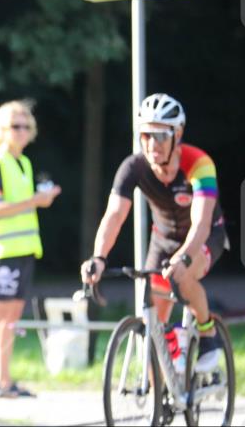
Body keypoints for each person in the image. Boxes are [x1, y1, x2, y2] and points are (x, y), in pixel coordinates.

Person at [80, 92, 227, 373]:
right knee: (152, 326)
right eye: (145, 135)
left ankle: (207, 332)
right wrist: (98, 257)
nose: (152, 144)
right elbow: (114, 215)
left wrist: (183, 258)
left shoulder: (199, 164)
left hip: (205, 236)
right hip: (163, 239)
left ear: (178, 134)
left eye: (160, 136)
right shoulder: (133, 166)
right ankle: (160, 396)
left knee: (182, 279)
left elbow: (201, 223)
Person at [0, 100, 62, 398]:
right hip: (3, 250)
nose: (22, 131)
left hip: (25, 248)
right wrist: (35, 202)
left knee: (13, 314)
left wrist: (43, 198)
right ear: (1, 129)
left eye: (26, 125)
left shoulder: (24, 162)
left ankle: (5, 380)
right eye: (16, 125)